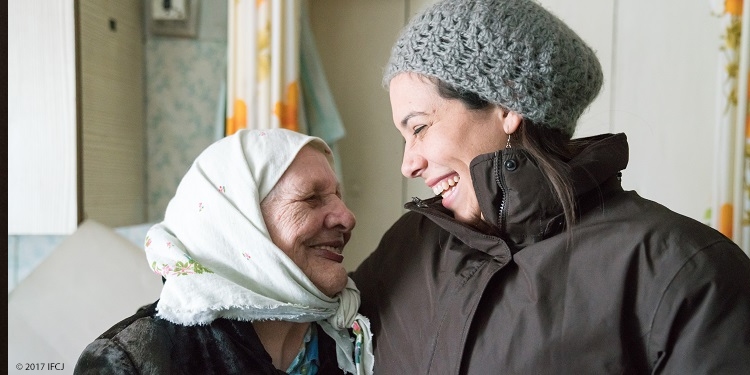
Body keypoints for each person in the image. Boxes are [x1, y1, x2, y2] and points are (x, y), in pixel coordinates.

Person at [350, 0, 750, 373]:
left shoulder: (686, 271)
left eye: (419, 127)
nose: (408, 164)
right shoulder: (406, 248)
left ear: (506, 105)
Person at [75, 128, 373, 375]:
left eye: (338, 196)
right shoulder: (133, 360)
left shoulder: (356, 335)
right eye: (311, 198)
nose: (347, 218)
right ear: (239, 227)